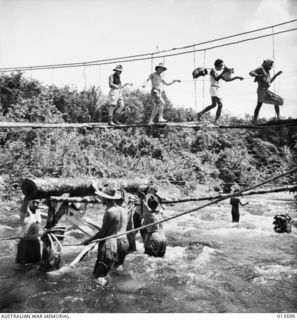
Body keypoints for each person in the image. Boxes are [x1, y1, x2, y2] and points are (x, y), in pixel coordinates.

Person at [83, 186, 129, 283]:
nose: (100, 199)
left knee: (98, 277)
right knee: (106, 273)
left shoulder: (109, 212)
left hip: (107, 246)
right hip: (116, 244)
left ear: (106, 199)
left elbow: (102, 233)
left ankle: (99, 296)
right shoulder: (119, 209)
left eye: (102, 197)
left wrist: (89, 240)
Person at [197, 59, 244, 124]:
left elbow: (227, 80)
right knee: (220, 105)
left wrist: (237, 77)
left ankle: (200, 114)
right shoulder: (212, 70)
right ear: (217, 65)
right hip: (213, 87)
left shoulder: (219, 71)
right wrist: (223, 72)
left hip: (217, 89)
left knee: (214, 105)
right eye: (221, 65)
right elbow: (216, 78)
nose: (222, 66)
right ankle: (216, 121)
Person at [16, 199, 43, 264]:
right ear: (29, 201)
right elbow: (23, 207)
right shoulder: (25, 211)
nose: (36, 204)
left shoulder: (38, 211)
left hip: (36, 243)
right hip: (26, 243)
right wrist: (28, 196)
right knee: (23, 268)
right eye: (34, 202)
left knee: (36, 265)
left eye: (38, 203)